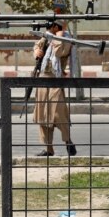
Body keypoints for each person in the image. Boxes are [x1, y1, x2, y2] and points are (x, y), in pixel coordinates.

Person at [33, 21, 76, 157]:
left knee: (58, 114)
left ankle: (68, 141)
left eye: (51, 27)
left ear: (57, 27)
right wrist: (37, 52)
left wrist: (59, 36)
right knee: (42, 115)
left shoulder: (66, 39)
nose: (48, 29)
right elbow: (37, 46)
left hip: (56, 80)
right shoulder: (46, 38)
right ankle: (48, 148)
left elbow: (58, 52)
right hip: (43, 79)